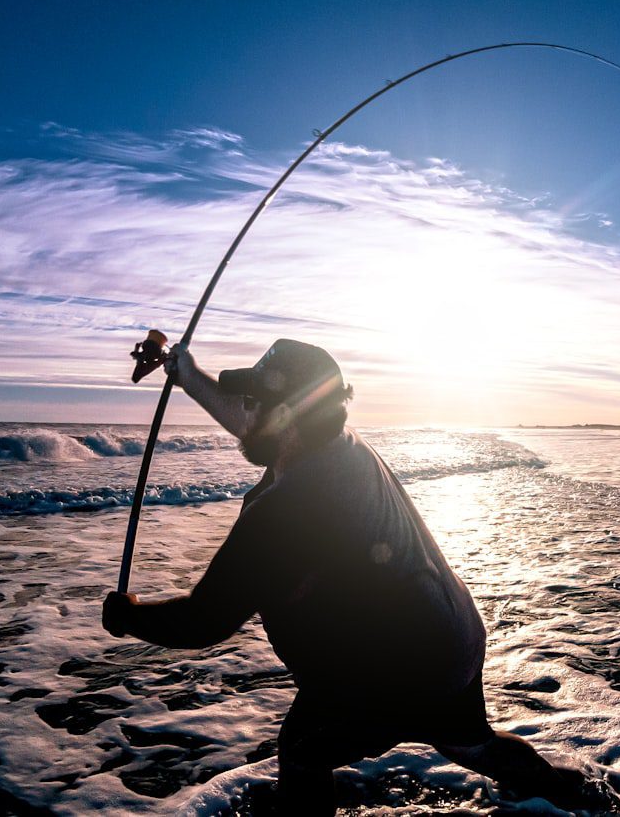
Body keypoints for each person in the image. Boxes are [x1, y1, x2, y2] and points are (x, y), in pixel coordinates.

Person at [102, 339, 584, 814]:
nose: (243, 413)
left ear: (286, 415)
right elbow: (251, 422)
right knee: (472, 745)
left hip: (390, 672)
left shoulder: (287, 509)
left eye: (253, 402)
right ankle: (571, 792)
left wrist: (130, 616)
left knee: (302, 752)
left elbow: (203, 622)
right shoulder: (338, 444)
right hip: (451, 637)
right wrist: (184, 372)